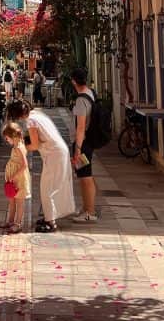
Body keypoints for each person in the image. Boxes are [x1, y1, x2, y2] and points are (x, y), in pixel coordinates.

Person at [5, 100, 75, 232]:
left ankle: (51, 222)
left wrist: (20, 148)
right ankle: (49, 216)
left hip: (54, 154)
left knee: (47, 188)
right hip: (57, 152)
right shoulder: (37, 114)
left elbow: (35, 145)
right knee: (51, 186)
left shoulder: (31, 122)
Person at [69, 67, 98, 223]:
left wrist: (77, 149)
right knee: (84, 175)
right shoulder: (90, 93)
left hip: (83, 143)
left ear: (74, 81)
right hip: (88, 142)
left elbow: (80, 127)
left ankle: (90, 212)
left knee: (85, 176)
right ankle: (87, 207)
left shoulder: (81, 100)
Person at [1, 122, 31, 233]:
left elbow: (25, 165)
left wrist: (14, 176)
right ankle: (10, 221)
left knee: (19, 201)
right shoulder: (16, 146)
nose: (6, 140)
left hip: (19, 178)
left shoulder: (19, 147)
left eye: (7, 138)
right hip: (13, 178)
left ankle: (18, 223)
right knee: (12, 200)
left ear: (12, 136)